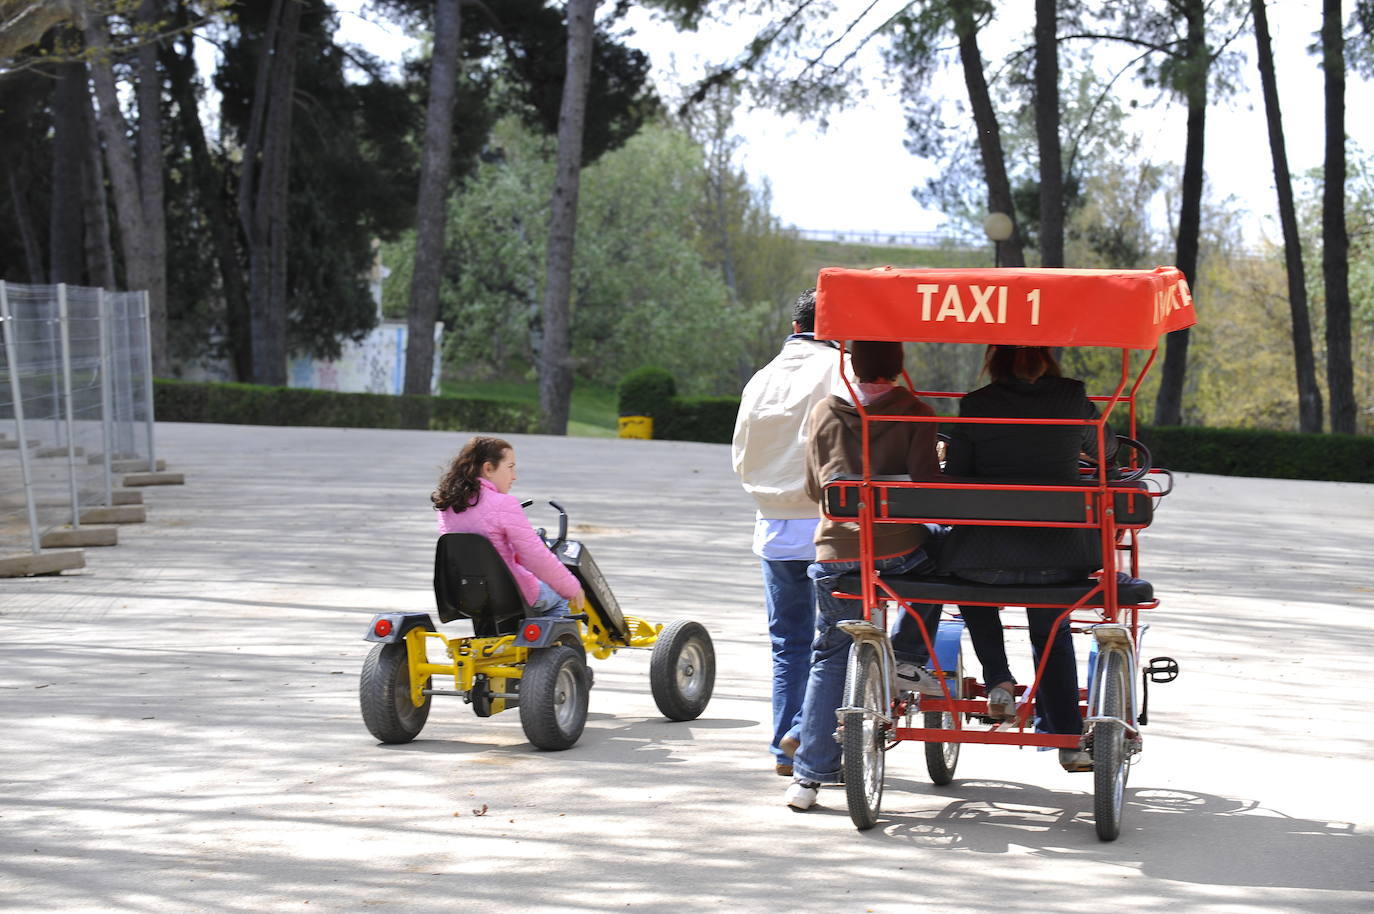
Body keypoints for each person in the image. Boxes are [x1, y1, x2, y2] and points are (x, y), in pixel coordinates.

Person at [941, 345, 1117, 772]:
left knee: (972, 592)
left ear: (994, 362)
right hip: (1059, 553)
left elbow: (958, 478)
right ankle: (1068, 737)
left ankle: (999, 679)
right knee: (1051, 627)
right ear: (1049, 358)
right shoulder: (1073, 397)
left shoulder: (977, 404)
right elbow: (1106, 451)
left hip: (987, 555)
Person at [784, 340, 943, 811]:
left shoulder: (823, 413)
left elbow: (815, 486)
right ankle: (910, 655)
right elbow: (927, 487)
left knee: (829, 653)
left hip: (836, 555)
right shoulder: (916, 412)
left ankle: (808, 778)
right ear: (898, 369)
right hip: (898, 552)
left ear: (851, 365)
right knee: (938, 572)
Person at [732, 289, 846, 778]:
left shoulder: (761, 378)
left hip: (773, 523)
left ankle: (785, 745)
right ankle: (808, 732)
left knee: (788, 645)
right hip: (825, 523)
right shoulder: (838, 370)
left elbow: (740, 453)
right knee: (834, 644)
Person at [433, 436, 583, 616]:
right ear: (488, 469)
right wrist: (572, 588)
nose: (514, 476)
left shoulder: (448, 505)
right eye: (510, 467)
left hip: (465, 597)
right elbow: (535, 558)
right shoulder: (504, 504)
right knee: (559, 596)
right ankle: (551, 641)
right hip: (509, 595)